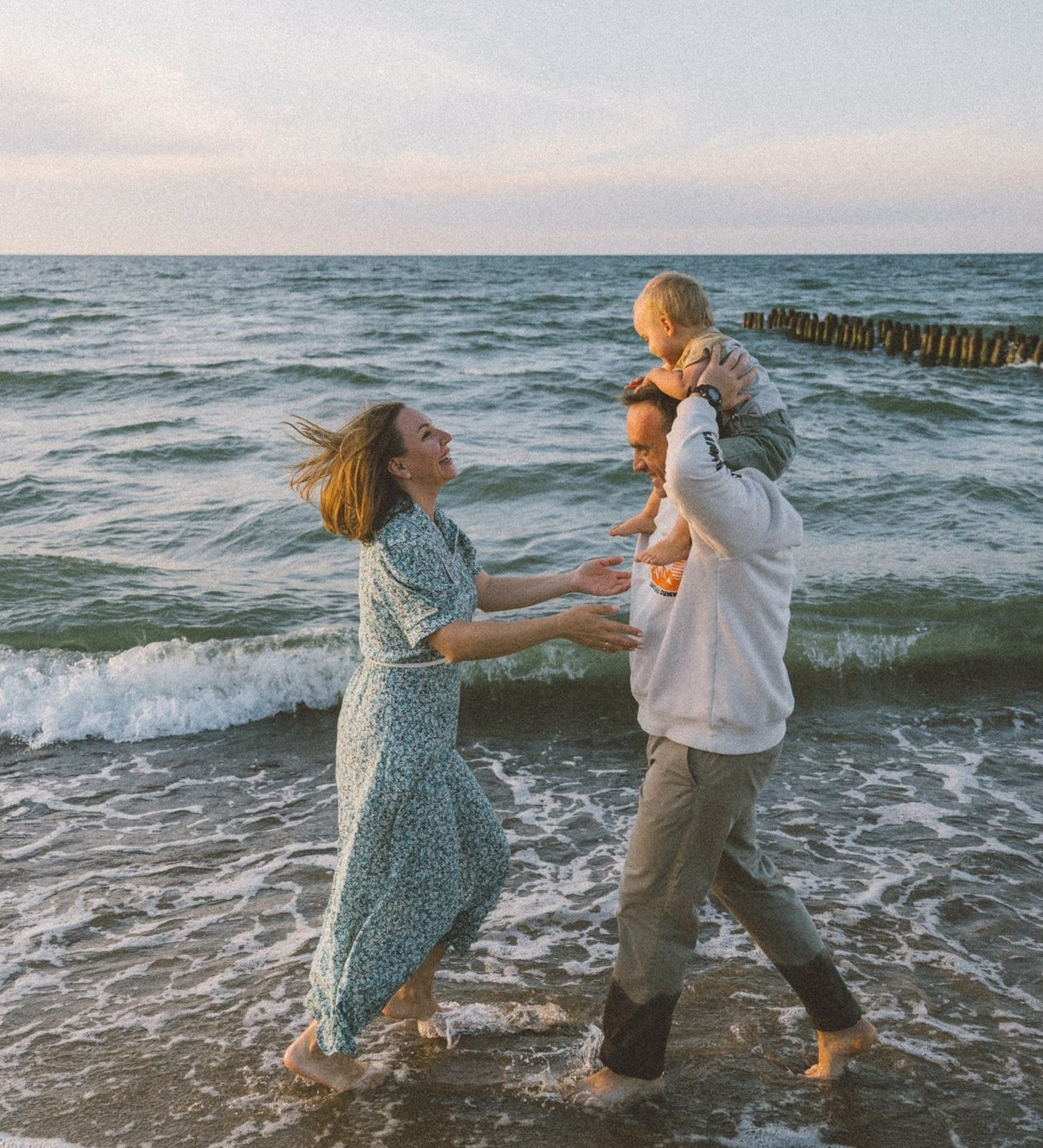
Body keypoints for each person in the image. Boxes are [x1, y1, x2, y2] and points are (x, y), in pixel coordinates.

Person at [282, 400, 641, 1092]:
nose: (445, 437)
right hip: (393, 731)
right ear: (399, 465)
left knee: (480, 858)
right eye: (427, 434)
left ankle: (411, 990)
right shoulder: (400, 537)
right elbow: (452, 641)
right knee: (406, 884)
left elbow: (482, 592)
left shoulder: (436, 526)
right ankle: (320, 1045)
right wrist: (562, 625)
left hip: (427, 730)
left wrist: (569, 580)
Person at [573, 354, 877, 1109]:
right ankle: (842, 1023)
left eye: (647, 446)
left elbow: (694, 468)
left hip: (710, 737)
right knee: (739, 877)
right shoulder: (686, 506)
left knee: (652, 901)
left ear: (697, 437)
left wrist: (703, 395)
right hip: (691, 726)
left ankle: (631, 1068)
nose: (639, 463)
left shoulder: (736, 505)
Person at [610, 271, 796, 568]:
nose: (649, 349)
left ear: (667, 325)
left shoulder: (706, 347)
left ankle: (680, 539)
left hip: (765, 440)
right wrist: (654, 381)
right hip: (744, 431)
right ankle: (650, 515)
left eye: (647, 339)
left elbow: (688, 390)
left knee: (697, 464)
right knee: (675, 456)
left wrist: (656, 375)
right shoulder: (698, 350)